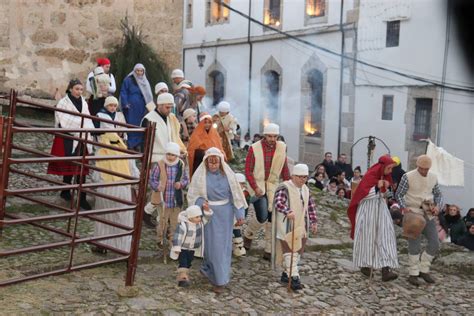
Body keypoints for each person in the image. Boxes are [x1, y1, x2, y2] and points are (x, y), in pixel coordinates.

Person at [187, 147, 247, 293]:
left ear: (220, 162)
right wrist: (201, 203)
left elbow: (236, 196)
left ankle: (220, 280)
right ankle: (208, 269)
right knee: (209, 246)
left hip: (225, 215)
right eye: (210, 163)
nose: (213, 165)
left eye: (216, 163)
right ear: (206, 163)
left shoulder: (229, 176)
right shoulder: (200, 176)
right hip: (208, 215)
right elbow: (194, 195)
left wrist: (239, 214)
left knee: (221, 248)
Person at [243, 123, 291, 260]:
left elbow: (284, 168)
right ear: (265, 135)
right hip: (257, 185)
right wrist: (255, 187)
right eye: (270, 136)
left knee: (272, 217)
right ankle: (249, 233)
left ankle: (269, 249)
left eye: (275, 136)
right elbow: (248, 170)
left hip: (273, 185)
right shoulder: (254, 148)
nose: (272, 139)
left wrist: (288, 185)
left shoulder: (282, 148)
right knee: (262, 215)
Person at [348, 155, 399, 282]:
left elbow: (387, 195)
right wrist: (376, 186)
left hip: (381, 209)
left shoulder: (386, 177)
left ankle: (385, 269)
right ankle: (365, 265)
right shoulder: (370, 175)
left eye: (392, 168)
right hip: (367, 210)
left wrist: (386, 188)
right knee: (368, 237)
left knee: (387, 236)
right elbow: (362, 195)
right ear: (383, 167)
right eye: (389, 168)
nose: (390, 171)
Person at [395, 155, 443, 286]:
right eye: (421, 168)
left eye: (426, 169)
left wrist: (438, 206)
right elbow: (398, 194)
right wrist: (404, 208)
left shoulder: (433, 177)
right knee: (414, 244)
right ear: (417, 166)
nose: (424, 171)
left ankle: (424, 269)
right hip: (413, 212)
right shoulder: (408, 176)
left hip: (428, 211)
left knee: (434, 242)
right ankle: (413, 273)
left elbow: (438, 194)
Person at [47, 79, 94, 210]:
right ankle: (66, 191)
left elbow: (88, 118)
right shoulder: (63, 103)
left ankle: (82, 198)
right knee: (70, 163)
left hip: (82, 136)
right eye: (77, 89)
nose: (79, 92)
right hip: (68, 136)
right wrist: (80, 125)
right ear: (70, 89)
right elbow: (63, 120)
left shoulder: (84, 102)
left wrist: (84, 127)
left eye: (81, 89)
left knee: (82, 166)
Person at [273, 164, 318, 291]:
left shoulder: (305, 189)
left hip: (300, 224)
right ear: (293, 176)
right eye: (300, 177)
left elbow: (310, 206)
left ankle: (286, 274)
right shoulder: (285, 187)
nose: (303, 180)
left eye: (305, 177)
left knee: (297, 251)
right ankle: (294, 277)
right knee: (289, 250)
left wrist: (314, 221)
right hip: (286, 224)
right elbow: (278, 202)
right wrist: (287, 211)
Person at [93, 132, 138, 253]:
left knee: (104, 219)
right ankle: (124, 250)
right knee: (124, 221)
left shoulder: (100, 153)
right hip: (123, 191)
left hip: (105, 190)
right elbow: (135, 175)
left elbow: (96, 177)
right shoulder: (127, 155)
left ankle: (101, 245)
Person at [149, 142, 189, 253]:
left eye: (173, 155)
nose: (170, 157)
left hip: (176, 200)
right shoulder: (160, 164)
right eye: (168, 154)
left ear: (177, 156)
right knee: (162, 221)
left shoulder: (181, 164)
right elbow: (152, 179)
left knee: (175, 222)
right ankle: (160, 239)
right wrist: (158, 186)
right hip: (164, 200)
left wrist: (181, 184)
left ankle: (172, 241)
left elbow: (186, 179)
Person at [171, 205, 213, 287]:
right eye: (196, 217)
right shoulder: (183, 226)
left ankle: (182, 276)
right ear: (190, 217)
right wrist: (177, 247)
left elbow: (207, 218)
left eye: (200, 216)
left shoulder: (200, 224)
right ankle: (183, 277)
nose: (199, 219)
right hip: (183, 248)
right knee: (183, 262)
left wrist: (207, 210)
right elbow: (177, 237)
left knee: (189, 262)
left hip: (192, 248)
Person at [141, 93, 186, 163]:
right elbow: (144, 144)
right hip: (155, 159)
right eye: (167, 107)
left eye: (171, 107)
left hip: (170, 158)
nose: (170, 110)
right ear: (159, 105)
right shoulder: (148, 119)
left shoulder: (170, 118)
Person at [119, 63, 153, 151]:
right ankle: (131, 145)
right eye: (137, 70)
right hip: (131, 108)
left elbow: (148, 94)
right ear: (134, 71)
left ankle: (138, 145)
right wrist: (125, 103)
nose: (139, 72)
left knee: (140, 124)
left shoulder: (145, 81)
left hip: (142, 107)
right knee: (131, 125)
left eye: (141, 71)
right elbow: (123, 91)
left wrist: (149, 105)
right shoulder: (128, 80)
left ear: (143, 72)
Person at [187, 113, 224, 178]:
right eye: (205, 122)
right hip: (199, 163)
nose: (207, 125)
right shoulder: (196, 134)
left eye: (209, 122)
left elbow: (219, 147)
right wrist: (204, 152)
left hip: (214, 162)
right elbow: (191, 150)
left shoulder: (215, 134)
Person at [232, 173, 251, 257]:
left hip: (239, 216)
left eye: (242, 183)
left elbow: (246, 207)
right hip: (230, 215)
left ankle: (239, 248)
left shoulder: (246, 194)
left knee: (237, 231)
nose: (240, 185)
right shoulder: (231, 192)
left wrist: (241, 218)